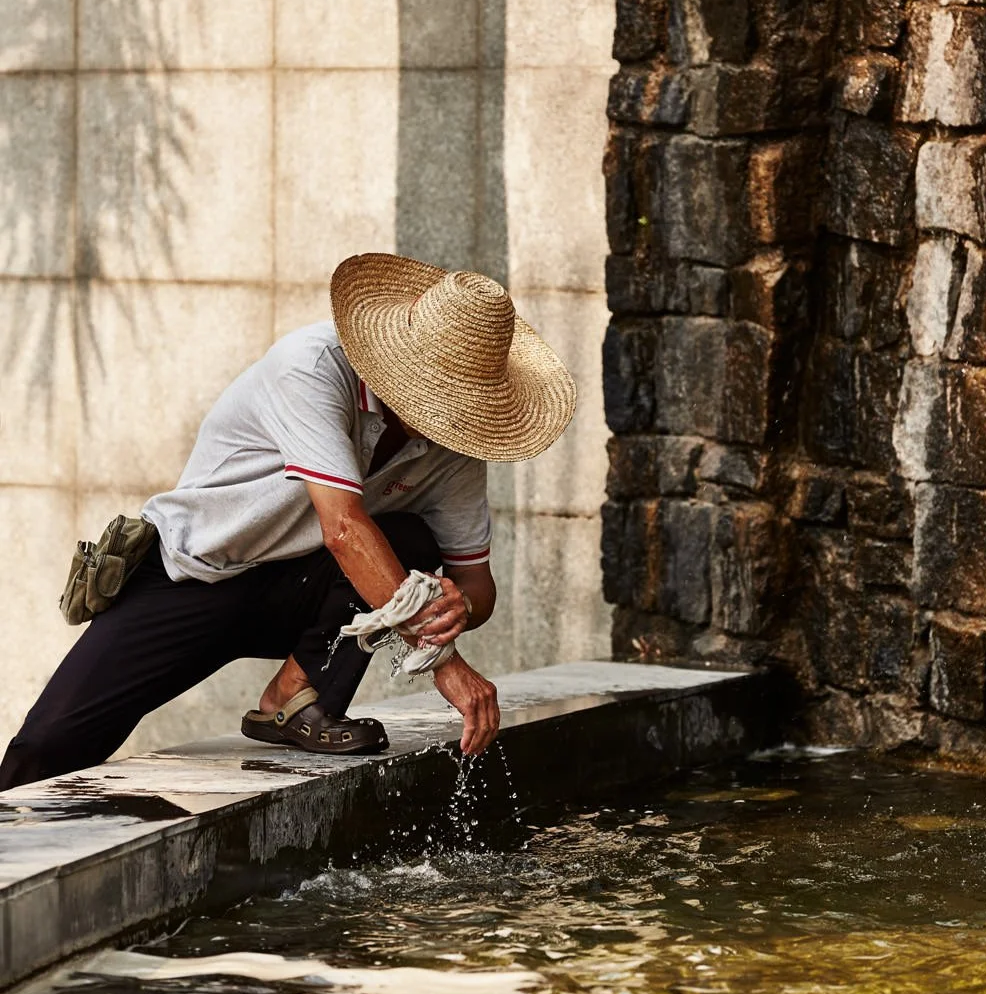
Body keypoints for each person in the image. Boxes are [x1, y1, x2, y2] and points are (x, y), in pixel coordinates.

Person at [0, 254, 576, 790]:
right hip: (194, 577)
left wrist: (459, 609)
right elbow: (343, 528)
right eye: (440, 394)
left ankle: (293, 700)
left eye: (463, 400)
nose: (448, 414)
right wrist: (444, 662)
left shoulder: (456, 441)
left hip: (301, 597)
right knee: (47, 748)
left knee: (411, 541)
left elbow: (477, 584)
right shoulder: (310, 367)